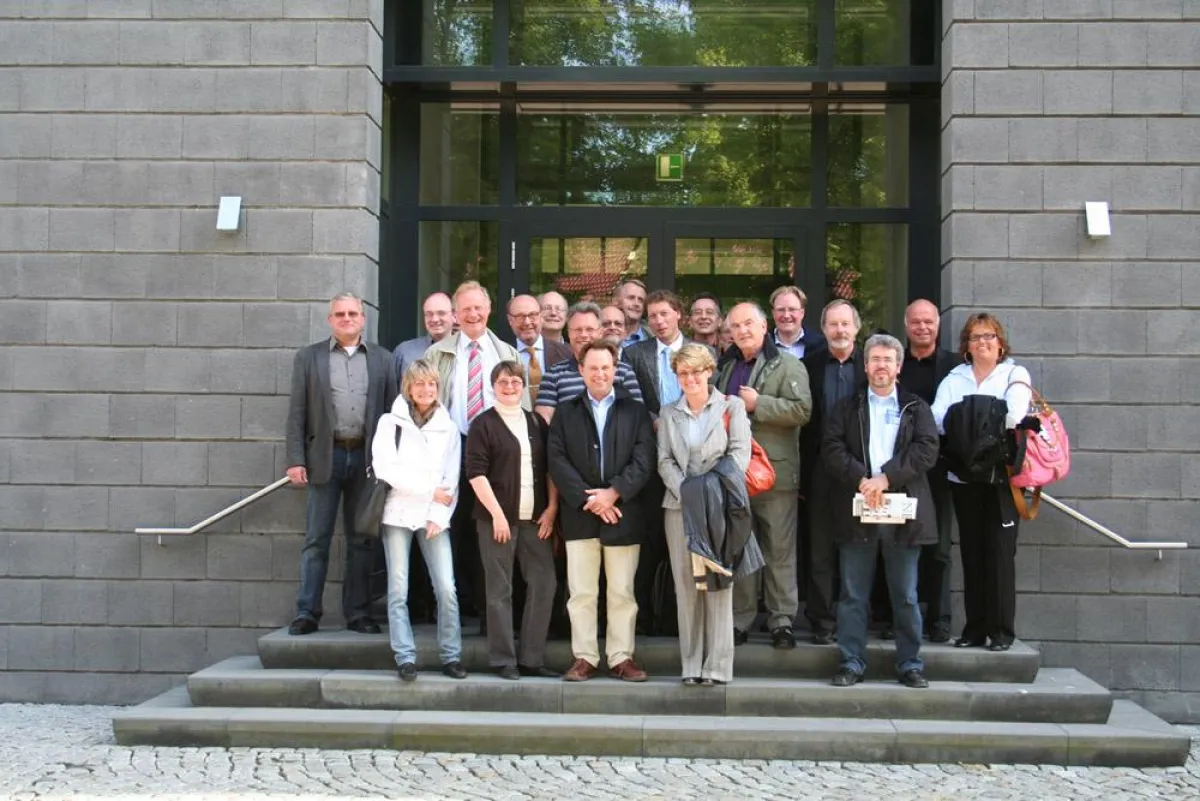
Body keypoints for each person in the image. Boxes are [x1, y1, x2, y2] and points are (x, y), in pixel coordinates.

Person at [822, 333, 939, 689]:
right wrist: (863, 479)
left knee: (905, 595)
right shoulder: (846, 407)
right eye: (875, 359)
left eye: (888, 360)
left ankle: (909, 664)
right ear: (866, 364)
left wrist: (886, 478)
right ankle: (852, 662)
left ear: (898, 366)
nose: (881, 366)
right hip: (858, 511)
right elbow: (831, 448)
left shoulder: (916, 407)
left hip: (903, 515)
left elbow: (927, 450)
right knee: (853, 595)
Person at [285, 293, 397, 636]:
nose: (347, 318)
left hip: (367, 459)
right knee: (316, 539)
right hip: (325, 457)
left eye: (353, 313)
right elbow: (297, 413)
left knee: (362, 540)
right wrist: (295, 460)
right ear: (330, 320)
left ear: (363, 318)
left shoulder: (383, 359)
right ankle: (307, 612)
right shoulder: (309, 358)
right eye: (339, 314)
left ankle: (358, 613)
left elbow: (394, 414)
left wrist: (391, 463)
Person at [548, 341, 656, 682]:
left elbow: (644, 459)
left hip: (624, 513)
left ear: (615, 370)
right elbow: (556, 459)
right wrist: (589, 499)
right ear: (581, 371)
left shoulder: (635, 411)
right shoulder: (565, 412)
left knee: (623, 591)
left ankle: (621, 658)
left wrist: (614, 493)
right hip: (580, 515)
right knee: (581, 592)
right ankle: (585, 658)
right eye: (593, 368)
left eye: (606, 367)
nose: (600, 373)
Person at [423, 281, 524, 628]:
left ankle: (487, 612)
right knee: (453, 528)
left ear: (489, 309)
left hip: (496, 453)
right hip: (453, 450)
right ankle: (454, 606)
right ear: (455, 314)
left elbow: (520, 405)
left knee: (490, 530)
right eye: (465, 309)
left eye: (478, 307)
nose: (472, 314)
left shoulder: (507, 353)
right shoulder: (437, 355)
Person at [932, 313, 1032, 652]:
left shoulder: (1014, 375)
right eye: (975, 337)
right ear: (966, 346)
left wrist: (972, 421)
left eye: (989, 336)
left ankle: (1002, 631)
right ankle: (974, 629)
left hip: (1002, 480)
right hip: (963, 477)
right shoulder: (954, 379)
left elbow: (1015, 416)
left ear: (1001, 343)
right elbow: (938, 420)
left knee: (1001, 554)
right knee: (972, 554)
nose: (983, 342)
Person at [714, 302, 812, 649]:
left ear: (763, 326)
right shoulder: (725, 367)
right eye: (735, 326)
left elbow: (803, 410)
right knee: (741, 549)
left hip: (775, 475)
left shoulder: (788, 364)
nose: (741, 331)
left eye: (748, 324)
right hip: (734, 475)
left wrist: (760, 404)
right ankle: (740, 619)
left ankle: (781, 620)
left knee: (778, 549)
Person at [658, 344, 753, 686]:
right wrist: (687, 490)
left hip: (719, 508)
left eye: (696, 371)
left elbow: (740, 455)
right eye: (683, 373)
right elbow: (664, 459)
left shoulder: (732, 407)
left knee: (718, 584)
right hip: (679, 508)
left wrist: (709, 491)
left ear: (709, 371)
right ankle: (691, 665)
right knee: (686, 586)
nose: (690, 379)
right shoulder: (669, 412)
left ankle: (717, 667)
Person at [370, 359, 465, 681]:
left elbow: (450, 479)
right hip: (397, 513)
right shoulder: (389, 423)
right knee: (398, 589)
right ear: (408, 387)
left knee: (447, 589)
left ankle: (451, 656)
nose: (426, 390)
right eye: (419, 384)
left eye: (431, 384)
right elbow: (386, 469)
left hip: (434, 518)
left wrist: (439, 512)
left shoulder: (448, 427)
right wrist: (429, 490)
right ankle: (405, 657)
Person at [466, 361, 560, 680]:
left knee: (545, 582)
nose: (509, 387)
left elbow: (549, 470)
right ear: (493, 386)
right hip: (496, 520)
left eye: (515, 382)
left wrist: (551, 510)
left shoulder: (536, 422)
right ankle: (504, 659)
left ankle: (531, 658)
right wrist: (496, 515)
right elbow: (476, 474)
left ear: (524, 386)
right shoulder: (483, 424)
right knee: (499, 589)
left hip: (535, 519)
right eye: (503, 382)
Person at [895, 299, 961, 642]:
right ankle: (894, 616)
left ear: (937, 324)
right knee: (895, 541)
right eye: (916, 322)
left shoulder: (954, 366)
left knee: (939, 547)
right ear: (906, 325)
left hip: (937, 469)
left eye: (928, 322)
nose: (922, 327)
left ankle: (939, 619)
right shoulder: (895, 363)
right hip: (895, 469)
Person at [801, 299, 864, 644]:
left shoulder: (871, 366)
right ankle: (822, 621)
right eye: (833, 324)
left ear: (856, 328)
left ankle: (855, 619)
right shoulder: (808, 365)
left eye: (845, 324)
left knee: (858, 548)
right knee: (821, 549)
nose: (839, 330)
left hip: (862, 474)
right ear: (823, 329)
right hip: (821, 471)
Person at [535, 302, 644, 424]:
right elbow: (544, 420)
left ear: (600, 332)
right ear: (569, 333)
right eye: (577, 329)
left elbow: (638, 418)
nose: (583, 335)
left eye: (589, 329)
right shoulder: (553, 375)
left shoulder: (623, 371)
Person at [507, 294, 572, 404]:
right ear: (510, 320)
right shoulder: (501, 354)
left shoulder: (567, 353)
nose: (527, 322)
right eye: (520, 316)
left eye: (533, 315)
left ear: (541, 317)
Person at [393, 292, 454, 380]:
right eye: (429, 314)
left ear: (454, 315)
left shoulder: (463, 352)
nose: (435, 319)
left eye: (441, 313)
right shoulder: (404, 352)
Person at [770, 286, 825, 360]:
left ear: (802, 313)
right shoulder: (761, 345)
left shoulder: (821, 346)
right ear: (773, 313)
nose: (786, 315)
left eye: (792, 309)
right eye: (781, 310)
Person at [613, 278, 651, 349]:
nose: (636, 304)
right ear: (616, 301)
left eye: (641, 300)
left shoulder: (654, 339)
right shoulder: (600, 336)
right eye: (631, 298)